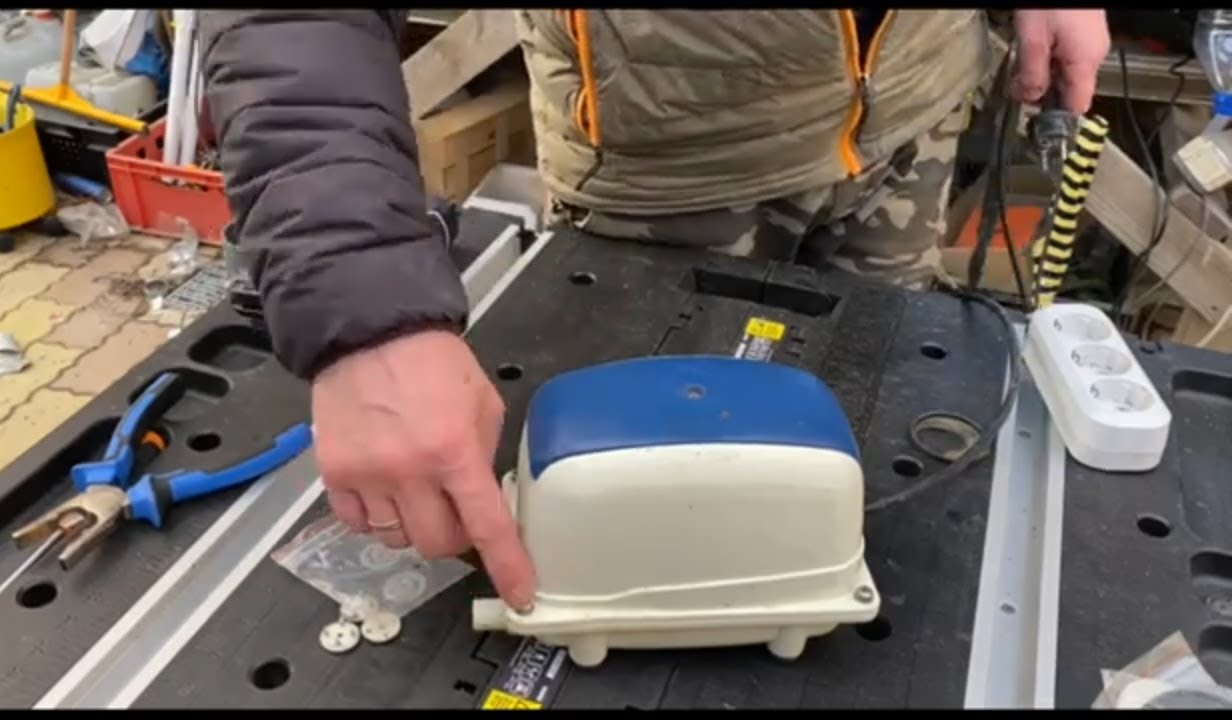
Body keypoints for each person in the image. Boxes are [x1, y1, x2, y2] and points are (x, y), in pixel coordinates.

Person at [198, 9, 1109, 612]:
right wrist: (357, 291)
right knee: (626, 498)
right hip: (668, 161)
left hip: (917, 106)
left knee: (864, 434)